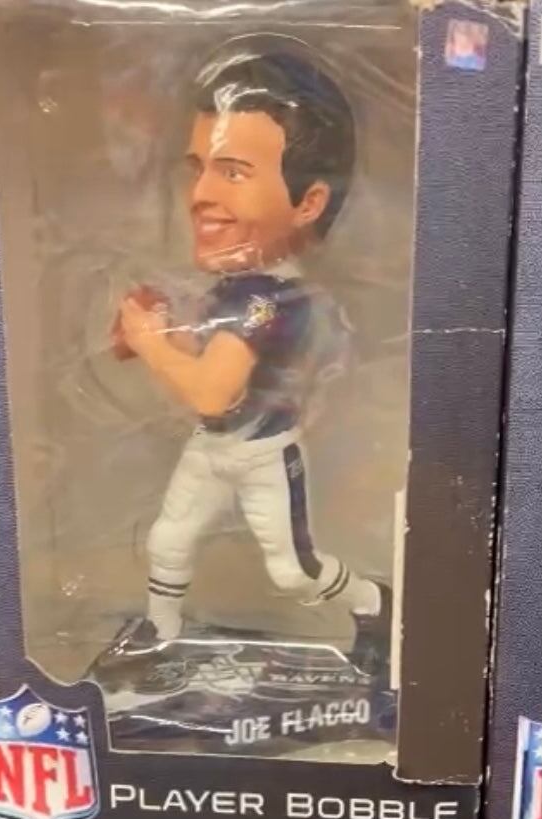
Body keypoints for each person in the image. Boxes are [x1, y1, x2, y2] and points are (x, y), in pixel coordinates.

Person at [114, 48, 391, 662]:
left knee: (292, 572)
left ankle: (373, 602)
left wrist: (149, 340)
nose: (200, 195)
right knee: (168, 541)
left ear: (308, 202)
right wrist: (162, 331)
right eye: (198, 168)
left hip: (263, 454)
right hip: (213, 447)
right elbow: (206, 363)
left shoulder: (270, 298)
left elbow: (214, 391)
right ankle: (161, 632)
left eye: (233, 172)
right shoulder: (236, 287)